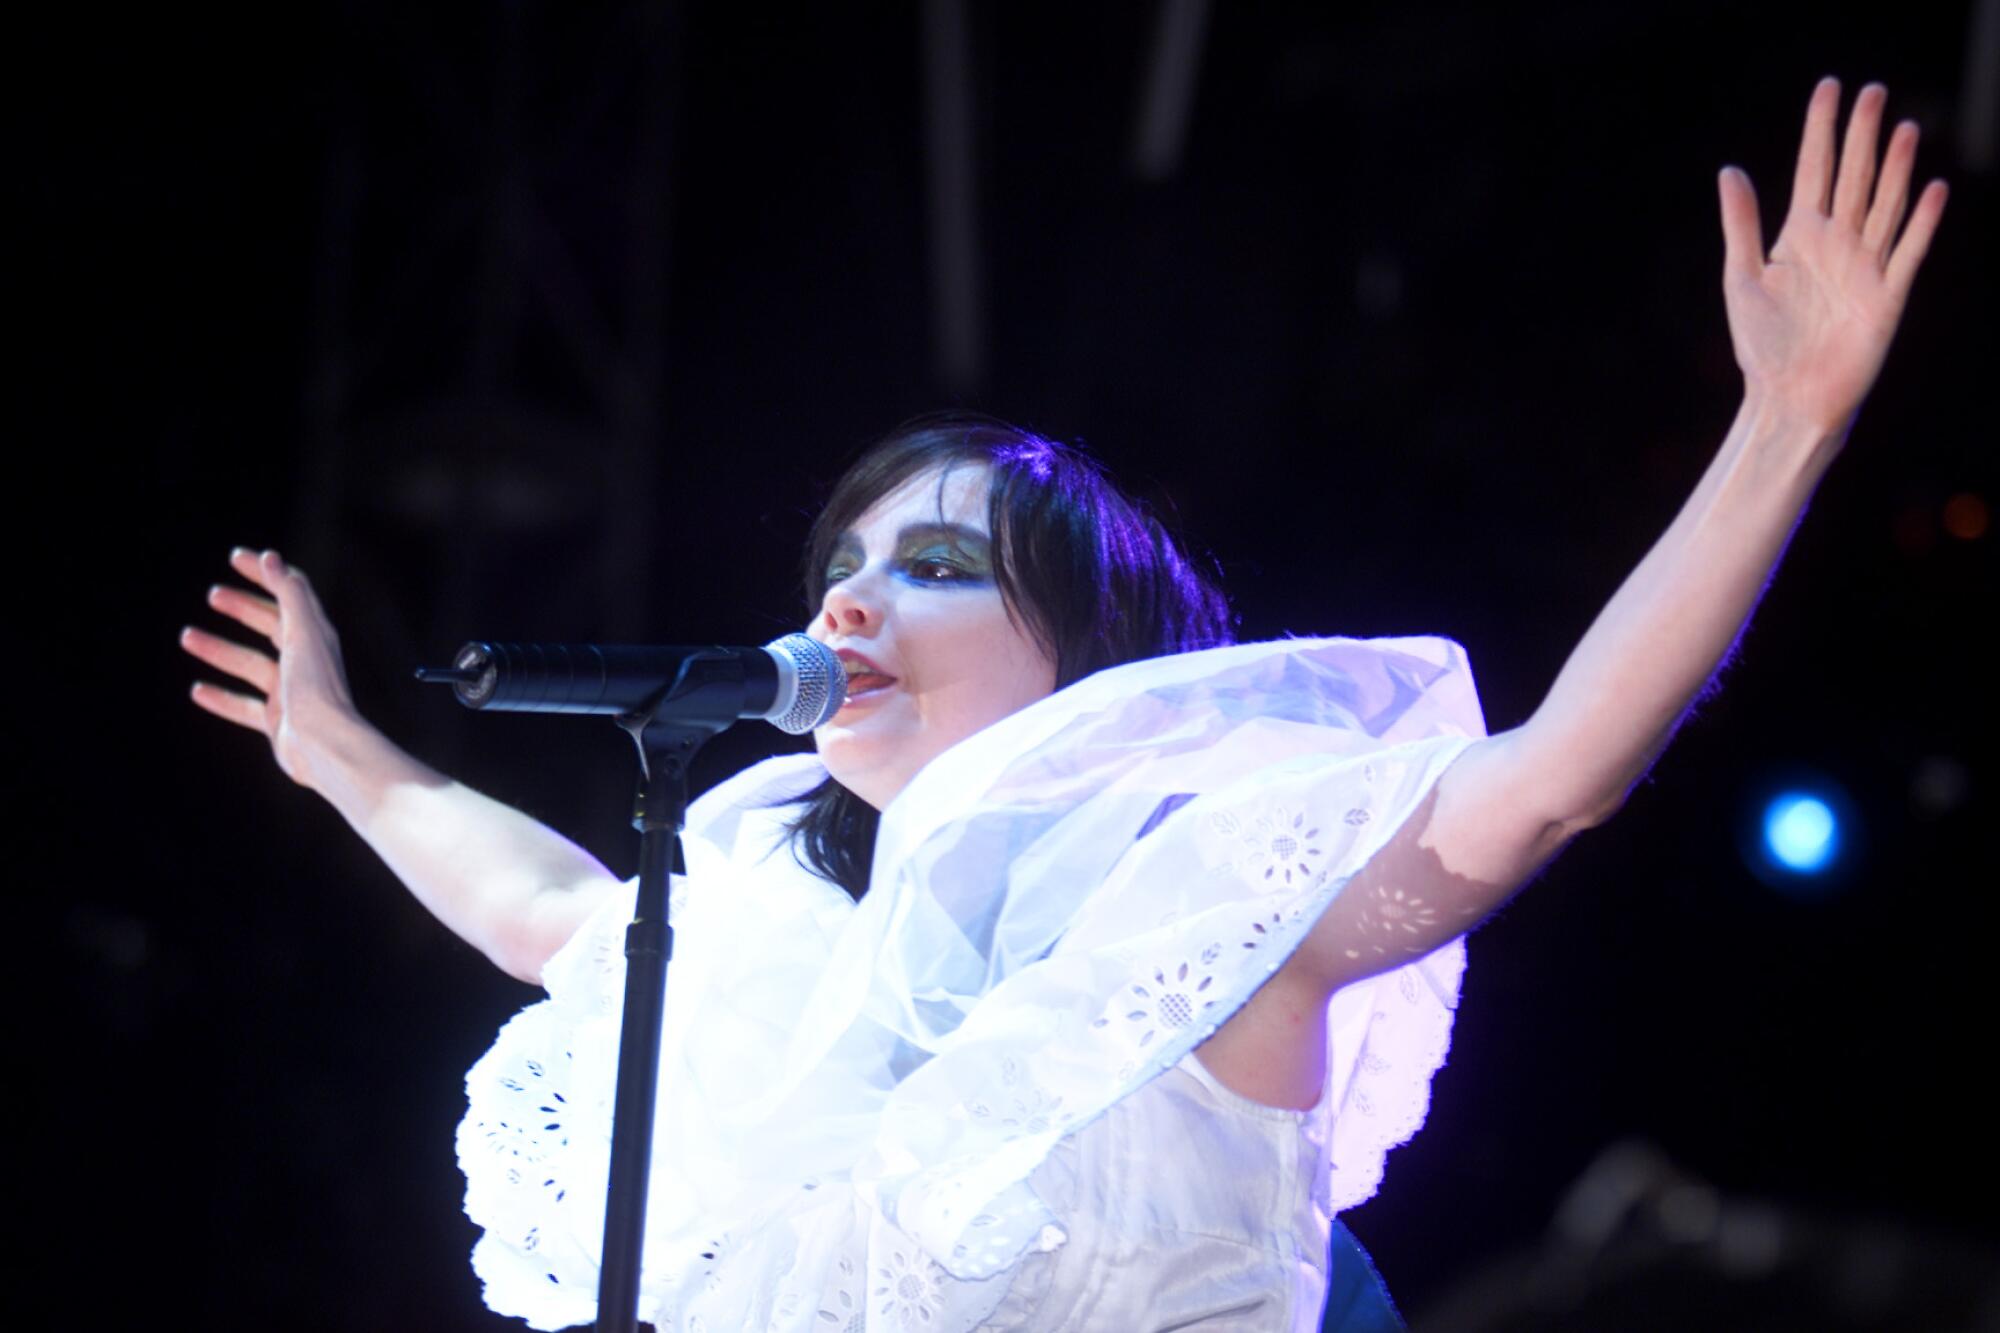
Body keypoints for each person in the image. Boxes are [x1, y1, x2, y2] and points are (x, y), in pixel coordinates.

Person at [181, 78, 1945, 1330]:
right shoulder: (778, 955)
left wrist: (1781, 427)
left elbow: (1551, 775)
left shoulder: (1209, 914)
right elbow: (552, 905)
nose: (850, 598)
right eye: (842, 562)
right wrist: (343, 755)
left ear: (1092, 664)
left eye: (940, 564)